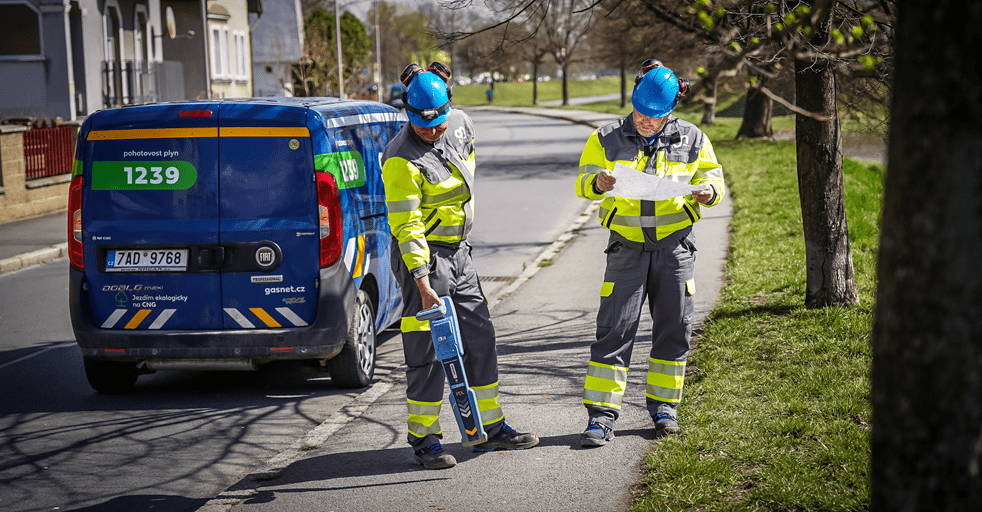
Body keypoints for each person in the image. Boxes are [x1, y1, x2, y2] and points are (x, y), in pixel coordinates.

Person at [381, 62, 539, 469]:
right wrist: (420, 278)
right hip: (425, 260)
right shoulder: (400, 158)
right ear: (408, 114)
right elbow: (406, 224)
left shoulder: (462, 123)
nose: (432, 130)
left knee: (479, 336)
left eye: (439, 122)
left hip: (460, 254)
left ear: (450, 106)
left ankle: (489, 428)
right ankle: (425, 438)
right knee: (428, 349)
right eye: (423, 123)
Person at [574, 60, 726, 447]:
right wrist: (598, 181)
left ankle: (664, 410)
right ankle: (601, 418)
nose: (645, 121)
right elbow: (582, 184)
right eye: (641, 112)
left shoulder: (693, 139)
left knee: (674, 328)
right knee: (614, 330)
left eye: (654, 116)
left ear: (671, 109)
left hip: (675, 248)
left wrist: (709, 190)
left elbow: (713, 176)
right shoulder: (605, 137)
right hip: (626, 249)